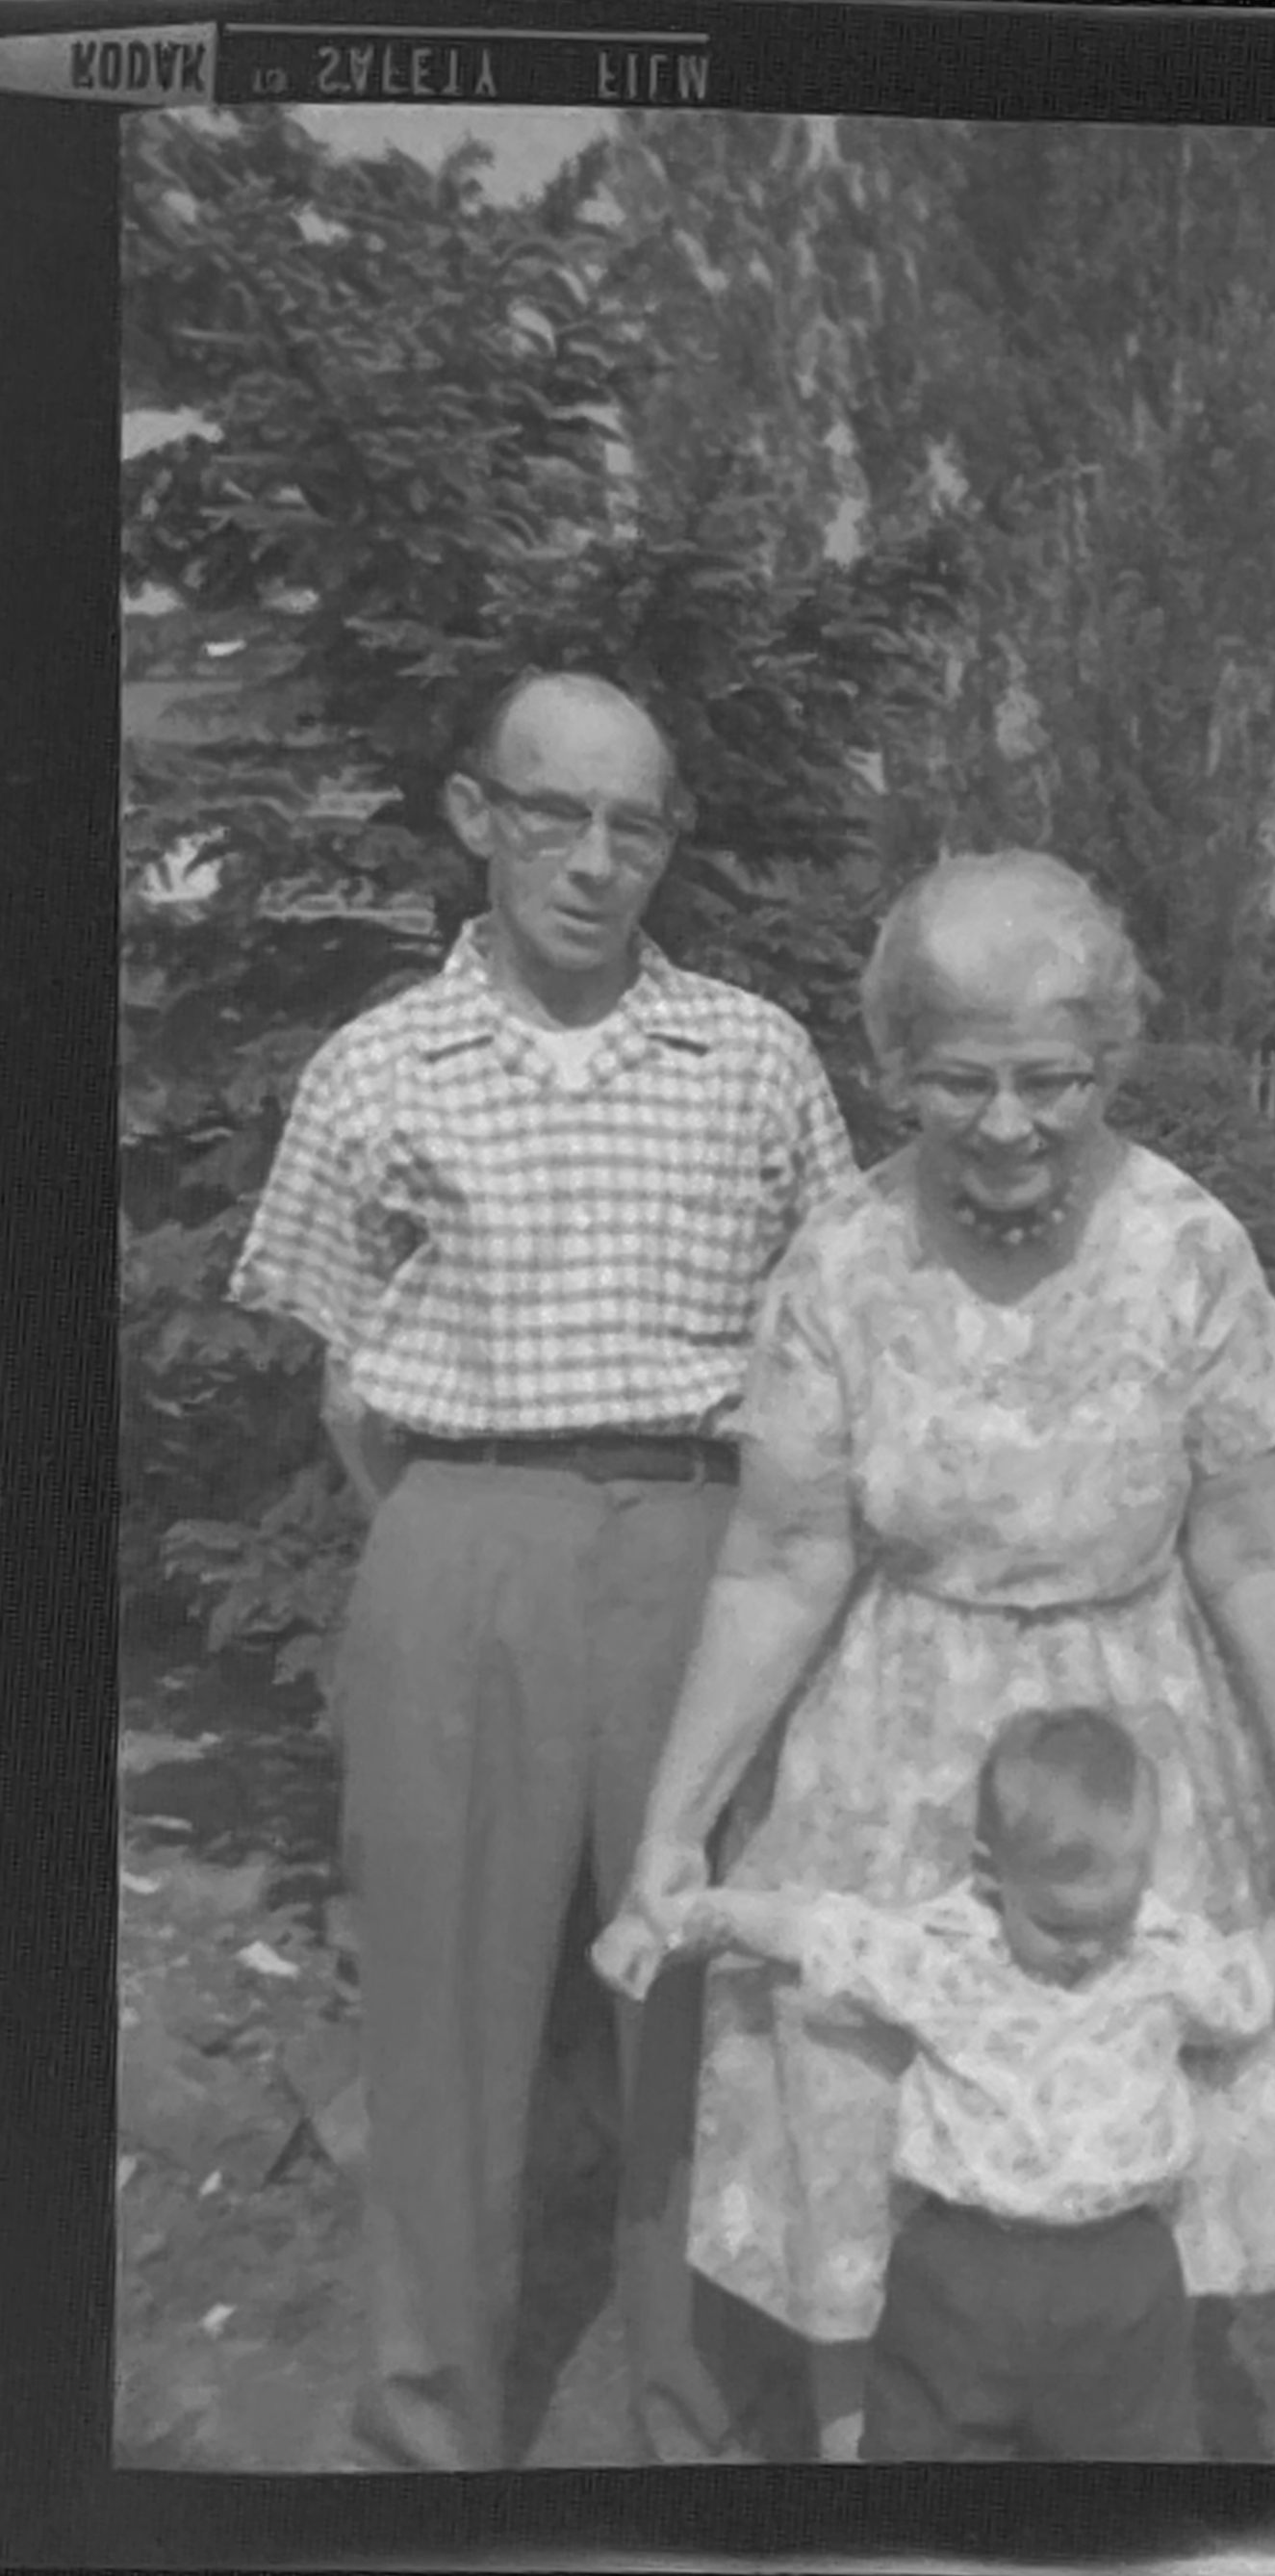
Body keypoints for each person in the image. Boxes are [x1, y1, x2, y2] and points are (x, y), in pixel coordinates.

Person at [605, 848, 1275, 2462]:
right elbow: (784, 1552)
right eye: (961, 1079)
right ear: (893, 1068)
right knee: (861, 2113)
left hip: (1138, 1751)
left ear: (1111, 1060)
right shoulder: (840, 1255)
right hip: (889, 1754)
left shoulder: (1188, 1247)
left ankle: (1125, 2417)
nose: (1010, 1121)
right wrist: (681, 1817)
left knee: (1150, 2100)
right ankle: (862, 2461)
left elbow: (1252, 1543)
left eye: (1052, 1078)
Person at [231, 669, 857, 2470]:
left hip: (701, 1548)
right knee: (442, 2019)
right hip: (462, 1545)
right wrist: (463, 1532)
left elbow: (820, 1353)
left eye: (635, 824)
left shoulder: (750, 1055)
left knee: (706, 2008)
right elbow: (343, 1382)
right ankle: (428, 2428)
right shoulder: (377, 1065)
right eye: (555, 813)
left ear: (667, 841)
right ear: (474, 814)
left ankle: (700, 2427)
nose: (595, 860)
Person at [598, 1704, 1275, 2460]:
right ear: (992, 1873)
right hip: (961, 2269)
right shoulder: (947, 1952)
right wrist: (686, 1923)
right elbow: (815, 1930)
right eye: (1056, 1925)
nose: (1086, 1950)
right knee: (919, 2452)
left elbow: (1242, 1989)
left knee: (1139, 2461)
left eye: (1108, 1920)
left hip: (1120, 2273)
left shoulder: (1162, 1953)